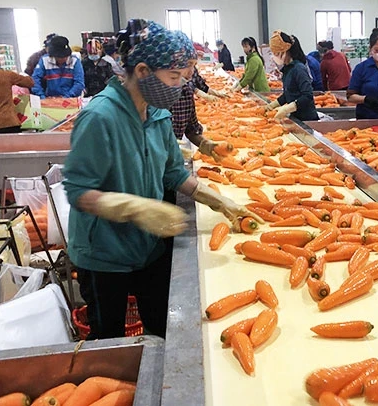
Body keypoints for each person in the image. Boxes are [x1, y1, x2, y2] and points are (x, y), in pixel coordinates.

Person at [63, 19, 260, 339]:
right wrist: (128, 207)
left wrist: (220, 201)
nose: (182, 86)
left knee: (159, 327)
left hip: (149, 245)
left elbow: (173, 172)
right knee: (110, 337)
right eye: (174, 77)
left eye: (184, 78)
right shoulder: (100, 117)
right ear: (142, 71)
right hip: (105, 254)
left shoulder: (157, 114)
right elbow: (77, 189)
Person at [263, 30, 317, 122]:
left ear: (285, 51)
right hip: (296, 117)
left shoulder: (299, 69)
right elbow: (289, 93)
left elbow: (307, 95)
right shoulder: (287, 69)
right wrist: (274, 104)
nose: (274, 57)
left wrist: (288, 108)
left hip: (307, 119)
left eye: (276, 53)